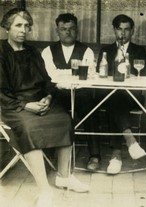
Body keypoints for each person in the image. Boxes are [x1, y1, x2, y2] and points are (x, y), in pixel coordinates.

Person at [0, 8, 89, 207]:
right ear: (7, 27)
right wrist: (25, 104)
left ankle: (63, 176)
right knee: (29, 128)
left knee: (64, 119)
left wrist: (48, 96)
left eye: (27, 26)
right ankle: (44, 190)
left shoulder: (32, 52)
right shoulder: (1, 52)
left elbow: (46, 81)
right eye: (18, 25)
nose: (23, 30)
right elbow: (1, 91)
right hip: (11, 105)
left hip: (39, 101)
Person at [92, 14, 146, 174]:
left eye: (126, 30)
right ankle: (129, 142)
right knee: (114, 98)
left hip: (132, 97)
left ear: (132, 32)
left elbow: (143, 76)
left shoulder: (139, 50)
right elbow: (100, 74)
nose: (122, 34)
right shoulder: (106, 50)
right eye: (119, 29)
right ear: (114, 30)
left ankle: (116, 155)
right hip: (110, 96)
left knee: (116, 100)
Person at [41, 13, 98, 171]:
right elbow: (50, 77)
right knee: (50, 111)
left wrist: (62, 74)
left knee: (90, 107)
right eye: (63, 29)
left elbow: (87, 76)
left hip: (80, 93)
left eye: (72, 28)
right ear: (57, 31)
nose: (68, 32)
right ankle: (48, 155)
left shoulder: (86, 51)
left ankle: (94, 155)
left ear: (77, 30)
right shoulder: (48, 51)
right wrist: (72, 75)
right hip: (56, 93)